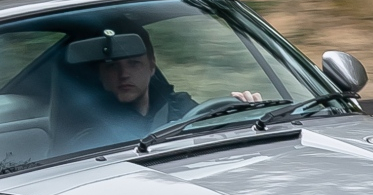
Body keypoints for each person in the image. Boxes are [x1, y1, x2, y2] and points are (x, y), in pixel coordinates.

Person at [97, 30, 261, 127]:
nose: (124, 74)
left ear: (152, 66)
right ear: (101, 74)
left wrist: (245, 115)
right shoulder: (94, 126)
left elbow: (213, 133)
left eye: (134, 63)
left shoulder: (180, 106)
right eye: (112, 66)